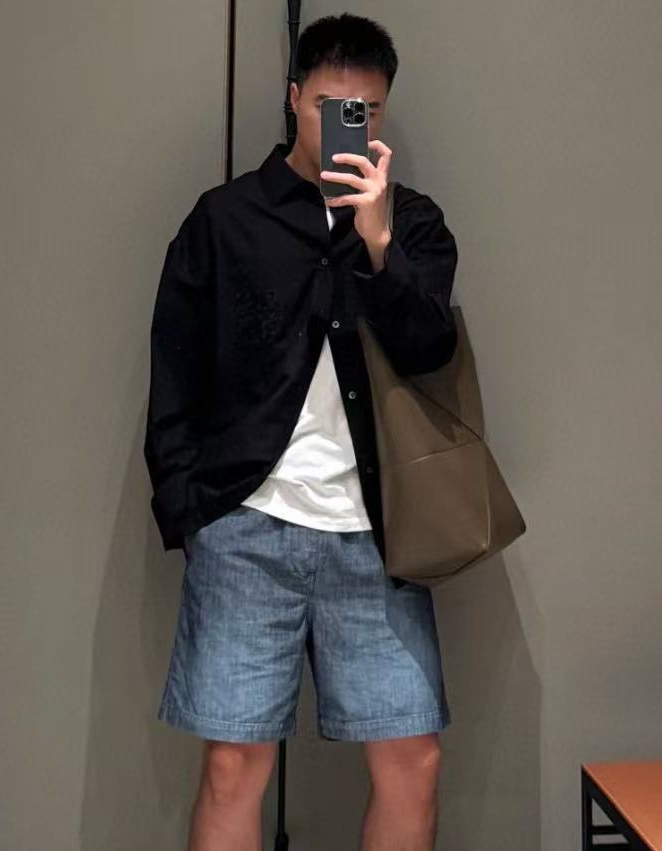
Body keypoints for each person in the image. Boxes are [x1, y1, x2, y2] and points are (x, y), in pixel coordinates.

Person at [143, 12, 459, 850]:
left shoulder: (412, 223)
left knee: (414, 760)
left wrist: (380, 245)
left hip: (379, 536)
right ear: (293, 98)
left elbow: (430, 348)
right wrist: (190, 506)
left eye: (366, 111)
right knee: (232, 767)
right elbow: (174, 363)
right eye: (329, 106)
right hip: (246, 526)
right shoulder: (225, 219)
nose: (346, 124)